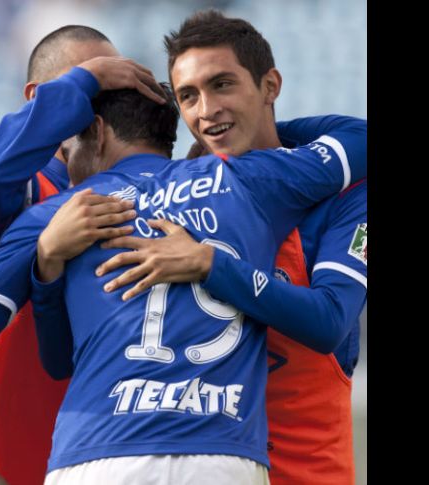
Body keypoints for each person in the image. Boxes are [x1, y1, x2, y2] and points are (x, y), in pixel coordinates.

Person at [0, 62, 367, 484]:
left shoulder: (61, 213)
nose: (66, 165)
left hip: (95, 457)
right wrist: (253, 125)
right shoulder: (242, 179)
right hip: (223, 457)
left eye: (69, 148)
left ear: (96, 134)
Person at [83, 11, 365, 484]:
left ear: (270, 86)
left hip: (305, 471)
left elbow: (330, 321)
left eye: (222, 85)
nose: (206, 110)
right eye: (188, 96)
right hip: (200, 464)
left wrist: (211, 263)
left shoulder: (343, 195)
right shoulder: (175, 194)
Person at [0, 26, 162, 485]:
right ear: (40, 98)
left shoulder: (143, 196)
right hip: (1, 466)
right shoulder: (31, 191)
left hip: (98, 460)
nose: (103, 98)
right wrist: (86, 80)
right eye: (94, 83)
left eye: (112, 87)